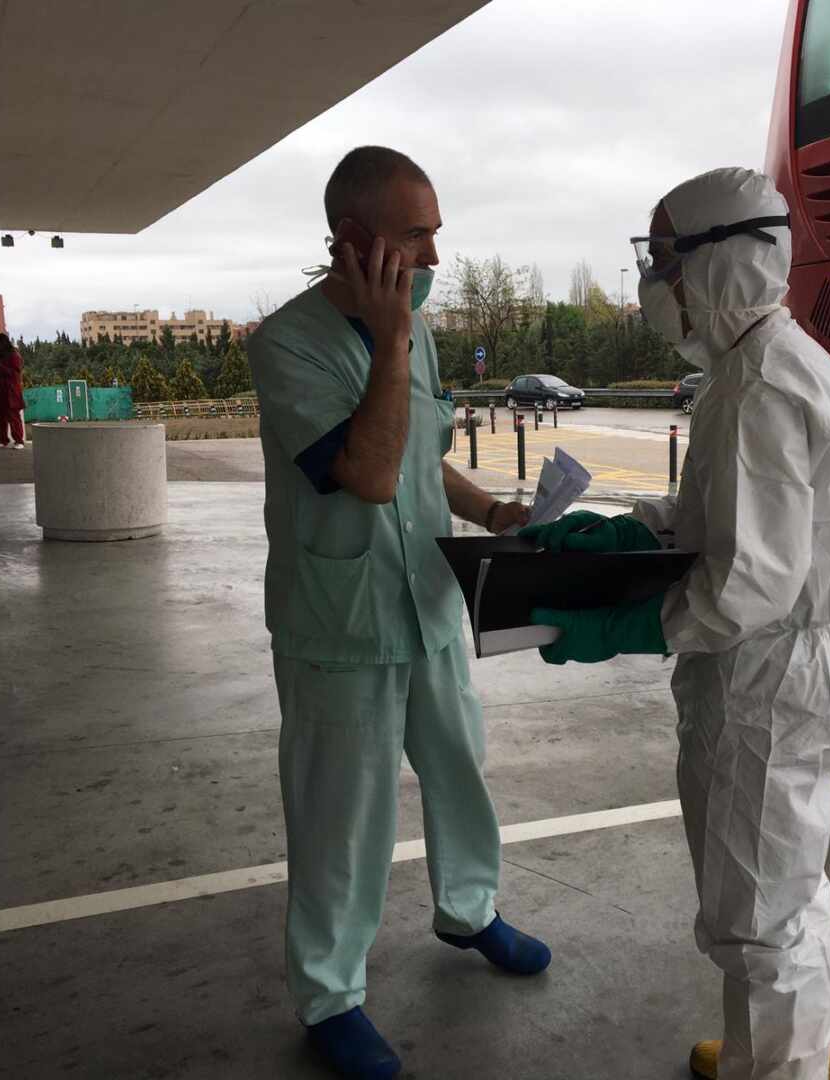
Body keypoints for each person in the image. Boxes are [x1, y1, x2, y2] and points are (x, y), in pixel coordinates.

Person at [523, 168, 830, 1080]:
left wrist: (620, 627)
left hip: (767, 674)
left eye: (667, 262)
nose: (657, 286)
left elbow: (748, 583)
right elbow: (732, 522)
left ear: (727, 261)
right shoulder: (764, 364)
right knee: (789, 883)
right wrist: (628, 531)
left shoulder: (759, 384)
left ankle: (786, 1070)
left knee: (758, 914)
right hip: (789, 668)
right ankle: (798, 1051)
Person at [246, 145, 550, 1080]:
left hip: (426, 598)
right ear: (354, 239)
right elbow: (370, 474)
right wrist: (386, 343)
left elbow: (419, 460)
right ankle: (330, 994)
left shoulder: (411, 335)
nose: (432, 260)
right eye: (417, 237)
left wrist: (491, 509)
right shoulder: (288, 344)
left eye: (435, 238)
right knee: (345, 812)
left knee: (461, 763)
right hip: (340, 621)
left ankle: (469, 909)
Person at [0, 333, 25, 448]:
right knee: (0, 417)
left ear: (1, 343)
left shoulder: (14, 355)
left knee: (13, 416)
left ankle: (19, 441)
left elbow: (15, 374)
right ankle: (3, 440)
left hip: (10, 391)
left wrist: (0, 367)